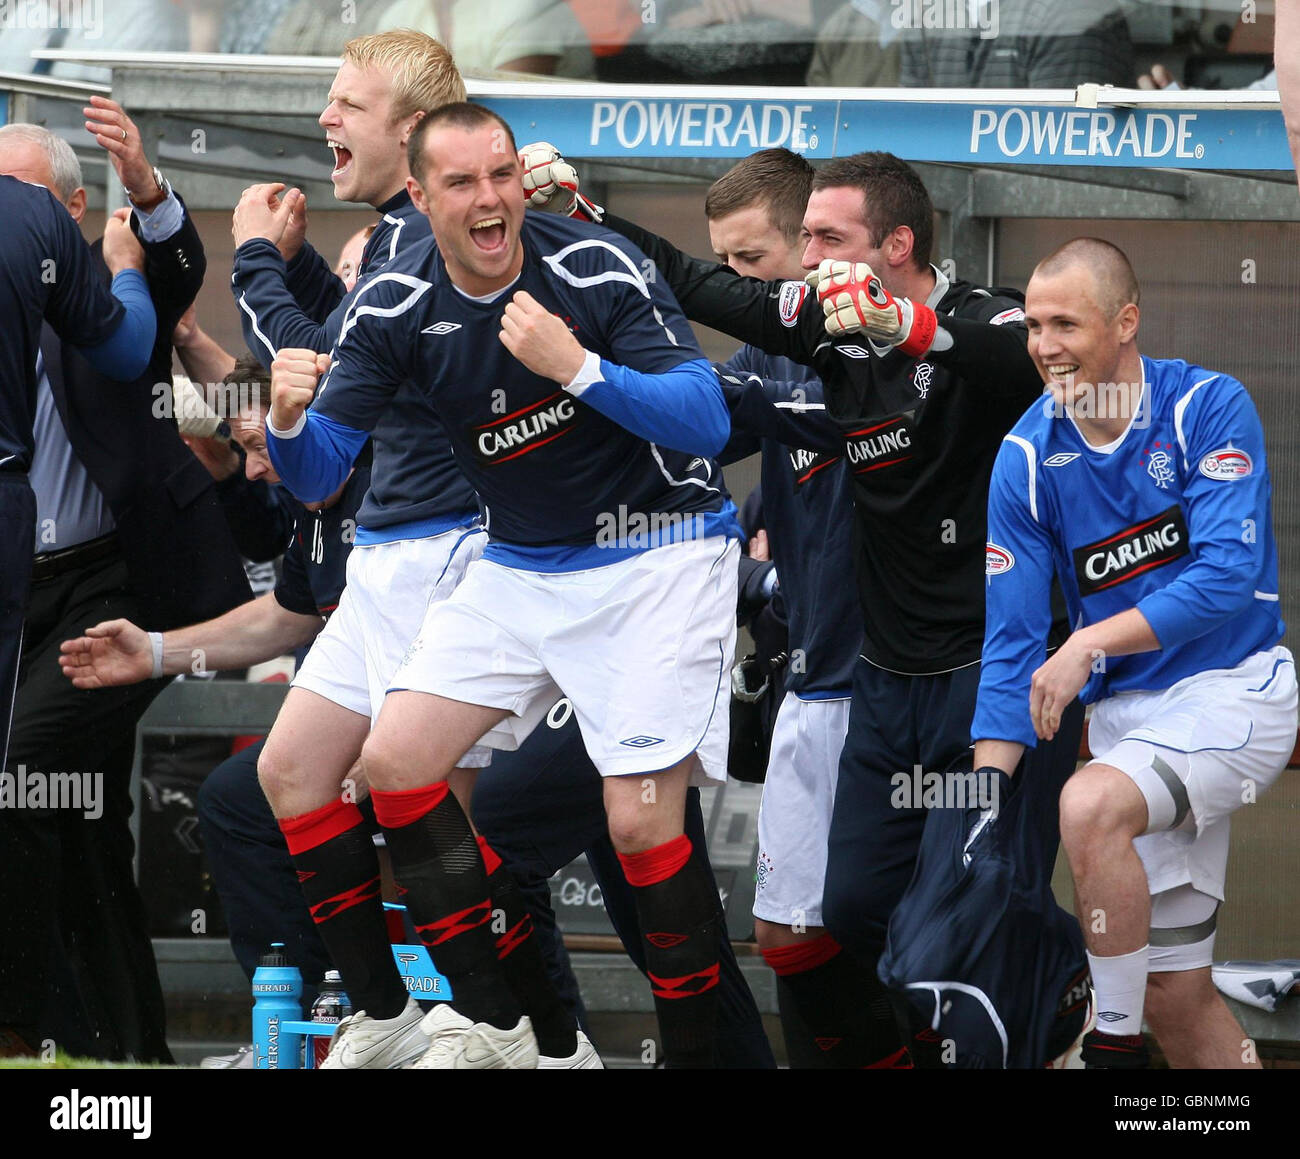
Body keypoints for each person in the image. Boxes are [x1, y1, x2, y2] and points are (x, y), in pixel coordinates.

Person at [528, 145, 1087, 1065]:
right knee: (855, 914)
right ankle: (1028, 982)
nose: (807, 259)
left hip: (992, 675)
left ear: (897, 244)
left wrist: (905, 327)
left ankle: (1056, 989)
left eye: (828, 238)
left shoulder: (983, 320)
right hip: (879, 679)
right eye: (806, 239)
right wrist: (579, 217)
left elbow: (1028, 359)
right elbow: (698, 285)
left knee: (961, 917)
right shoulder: (820, 329)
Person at [266, 101, 737, 1069]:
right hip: (521, 562)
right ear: (422, 196)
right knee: (395, 764)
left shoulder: (592, 265)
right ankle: (498, 1027)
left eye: (501, 177)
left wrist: (579, 369)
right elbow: (320, 476)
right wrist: (281, 420)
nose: (490, 201)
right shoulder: (396, 301)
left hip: (658, 555)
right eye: (463, 183)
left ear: (522, 179)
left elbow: (706, 420)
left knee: (638, 823)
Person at [971, 237, 1296, 1069]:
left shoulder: (1205, 407)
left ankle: (1110, 1050)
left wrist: (1088, 639)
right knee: (1177, 995)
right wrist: (979, 803)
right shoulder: (1026, 454)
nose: (1045, 346)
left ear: (1126, 321)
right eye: (1034, 325)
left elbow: (1228, 579)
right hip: (1130, 726)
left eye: (1066, 324)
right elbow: (1011, 644)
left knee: (1085, 806)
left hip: (1235, 692)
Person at [0, 105, 250, 1062]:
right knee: (76, 819)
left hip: (116, 588)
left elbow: (178, 271)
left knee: (20, 770)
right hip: (20, 591)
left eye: (26, 202)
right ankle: (122, 1049)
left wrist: (146, 188)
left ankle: (17, 1024)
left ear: (73, 211)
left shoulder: (112, 291)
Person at [696, 148, 871, 1067]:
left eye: (748, 264)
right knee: (792, 938)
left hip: (908, 689)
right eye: (719, 268)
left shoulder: (914, 349)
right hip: (809, 681)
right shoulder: (768, 352)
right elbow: (682, 446)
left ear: (814, 248)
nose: (733, 287)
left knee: (904, 941)